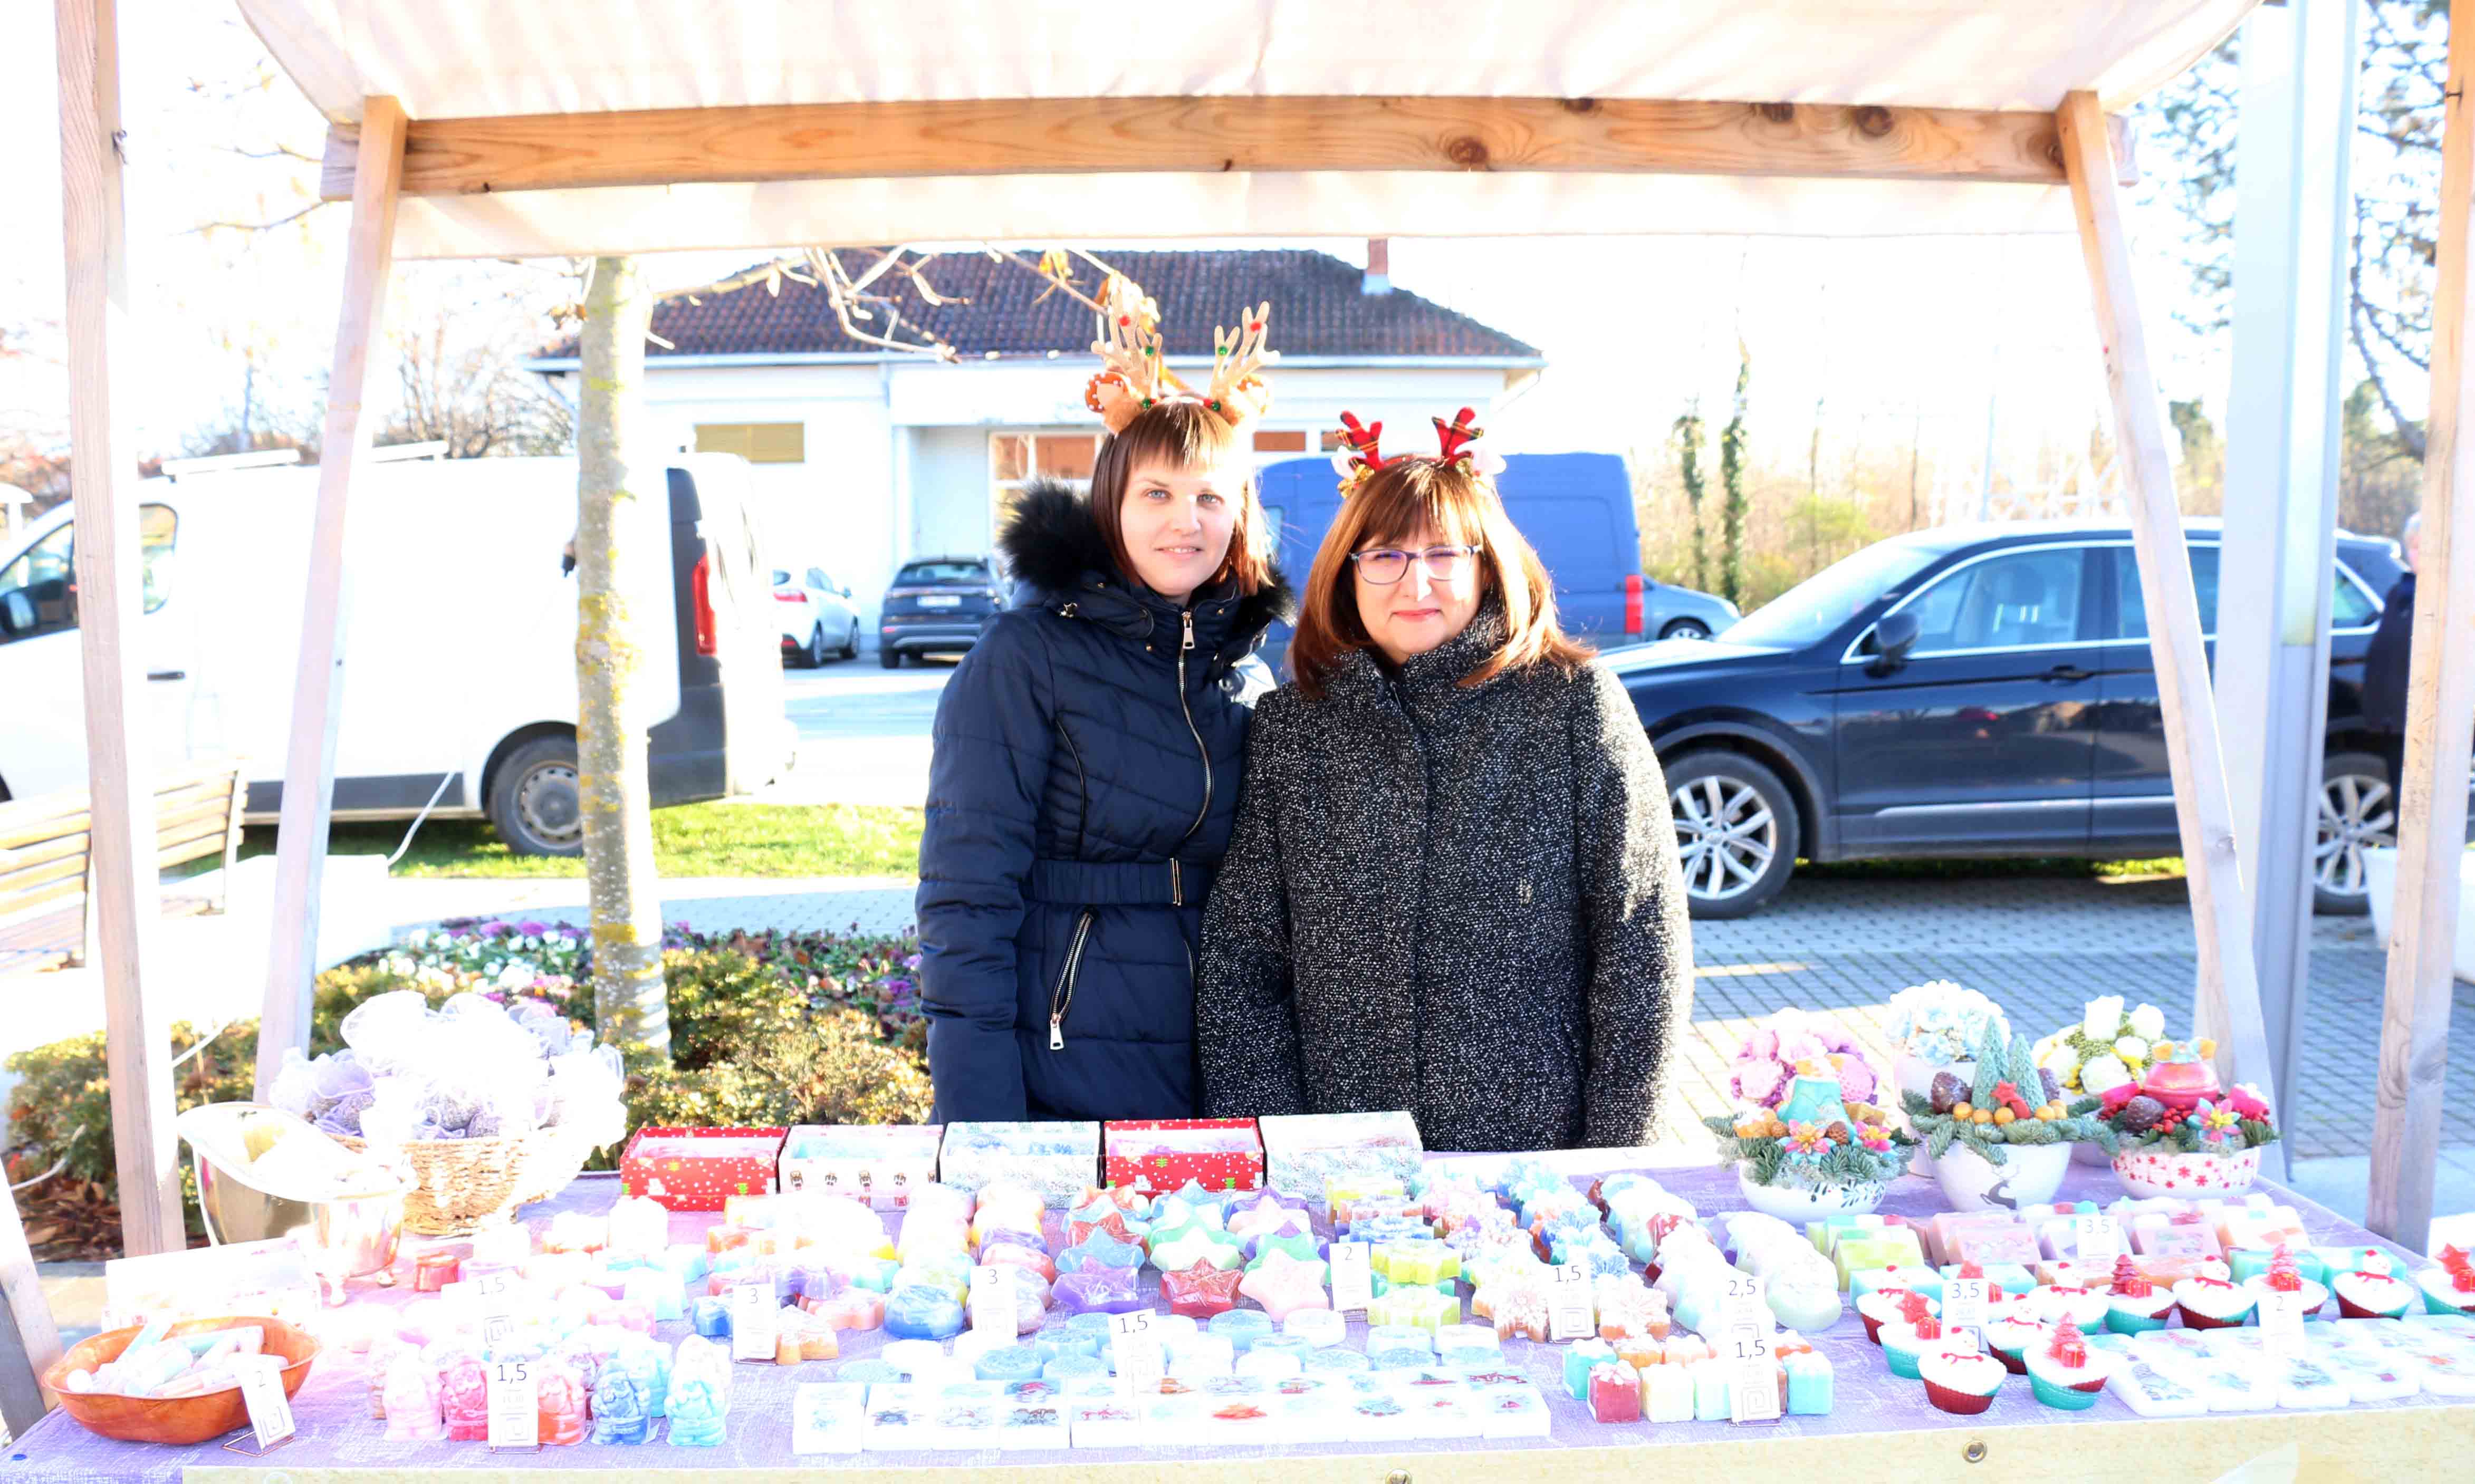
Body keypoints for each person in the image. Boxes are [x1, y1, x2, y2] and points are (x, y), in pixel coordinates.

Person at [1194, 408, 1693, 1151]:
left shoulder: (1574, 707)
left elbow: (1642, 949)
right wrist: (1286, 1154)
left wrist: (1613, 1163)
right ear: (1348, 570)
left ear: (1486, 561)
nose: (1415, 580)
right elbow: (1244, 965)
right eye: (1386, 555)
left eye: (1443, 553)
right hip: (1344, 1175)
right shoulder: (1294, 730)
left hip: (1536, 1170)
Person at [917, 284, 1290, 1122]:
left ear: (1240, 514)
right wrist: (981, 1125)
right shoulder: (1026, 657)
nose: (1183, 522)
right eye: (1155, 493)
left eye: (1208, 497)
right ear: (1111, 504)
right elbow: (965, 902)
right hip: (1064, 1071)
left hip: (1226, 1071)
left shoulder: (1247, 677)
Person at [2362, 511, 2419, 799]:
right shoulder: (2400, 592)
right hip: (2392, 722)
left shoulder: (2453, 595)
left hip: (2422, 722)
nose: (2418, 553)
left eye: (2426, 545)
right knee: (2400, 795)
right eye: (2414, 546)